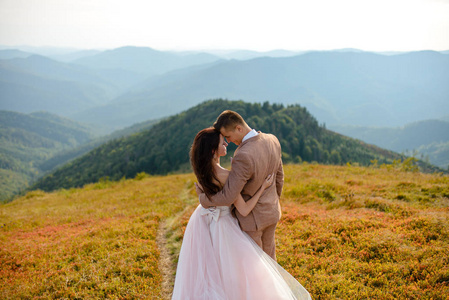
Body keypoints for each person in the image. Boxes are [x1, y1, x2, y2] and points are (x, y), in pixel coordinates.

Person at [171, 127, 311, 300]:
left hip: (205, 221)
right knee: (241, 273)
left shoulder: (203, 172)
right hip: (225, 226)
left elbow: (211, 198)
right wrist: (262, 189)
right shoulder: (225, 175)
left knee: (213, 272)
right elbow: (244, 209)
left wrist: (203, 197)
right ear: (214, 150)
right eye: (223, 142)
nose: (227, 143)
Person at [198, 110, 284, 260]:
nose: (229, 141)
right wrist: (273, 201)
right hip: (272, 212)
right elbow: (279, 177)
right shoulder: (272, 140)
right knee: (271, 261)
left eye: (229, 136)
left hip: (253, 220)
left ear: (239, 128)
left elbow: (229, 196)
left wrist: (204, 199)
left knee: (256, 266)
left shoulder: (243, 155)